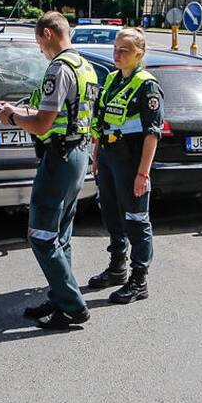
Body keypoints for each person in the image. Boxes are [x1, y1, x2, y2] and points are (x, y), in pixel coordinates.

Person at [0, 11, 99, 330]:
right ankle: (59, 298)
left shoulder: (59, 68)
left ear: (48, 34)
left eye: (39, 42)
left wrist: (12, 118)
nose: (40, 49)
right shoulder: (86, 68)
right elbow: (58, 113)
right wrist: (17, 110)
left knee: (40, 234)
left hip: (60, 158)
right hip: (77, 153)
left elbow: (42, 123)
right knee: (60, 234)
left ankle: (72, 304)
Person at [87, 27, 163, 304]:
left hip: (131, 162)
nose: (117, 54)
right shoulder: (111, 79)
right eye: (115, 48)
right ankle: (117, 266)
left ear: (139, 54)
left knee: (136, 219)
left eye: (124, 50)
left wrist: (143, 173)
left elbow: (152, 133)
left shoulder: (147, 85)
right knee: (111, 212)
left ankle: (139, 279)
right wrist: (97, 154)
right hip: (108, 157)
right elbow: (103, 120)